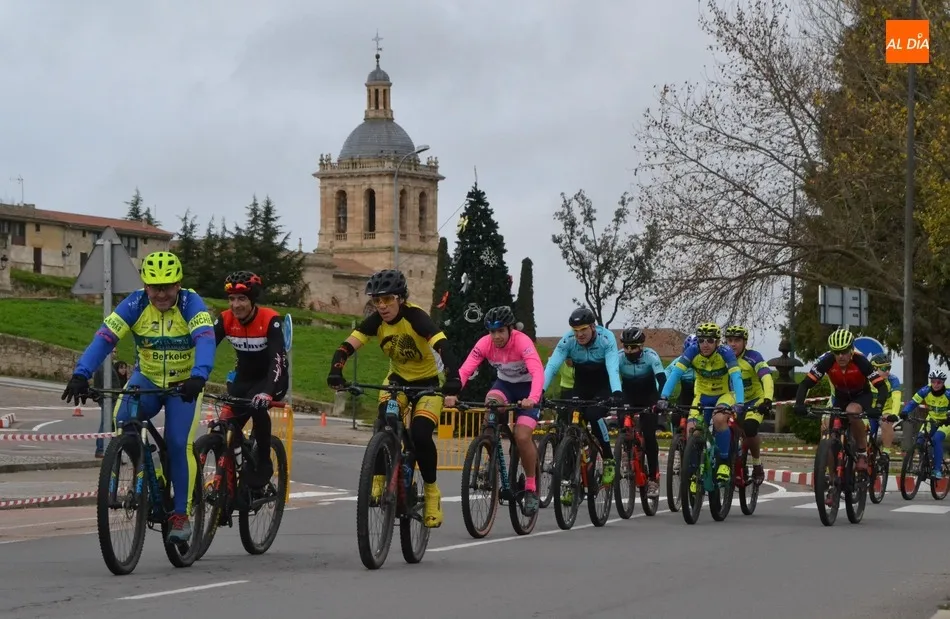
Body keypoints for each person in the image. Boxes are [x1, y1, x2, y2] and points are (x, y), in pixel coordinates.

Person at [61, 251, 215, 542]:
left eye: (167, 286)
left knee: (179, 443)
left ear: (178, 284)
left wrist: (200, 375)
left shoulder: (191, 303)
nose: (161, 294)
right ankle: (151, 470)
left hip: (184, 384)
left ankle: (180, 515)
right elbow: (105, 338)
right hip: (147, 379)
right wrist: (81, 374)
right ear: (145, 285)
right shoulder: (134, 303)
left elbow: (205, 339)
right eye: (154, 286)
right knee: (123, 420)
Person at [326, 269, 461, 528]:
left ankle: (432, 492)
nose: (382, 306)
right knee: (384, 423)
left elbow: (444, 346)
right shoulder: (376, 321)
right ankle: (377, 480)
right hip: (397, 381)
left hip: (427, 385)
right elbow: (345, 347)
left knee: (421, 435)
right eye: (377, 300)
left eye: (387, 299)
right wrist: (336, 371)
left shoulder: (416, 317)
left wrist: (453, 381)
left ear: (400, 298)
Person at [445, 306, 544, 515]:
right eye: (492, 331)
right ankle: (489, 464)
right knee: (490, 406)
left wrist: (533, 399)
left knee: (522, 436)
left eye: (500, 331)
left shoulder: (522, 342)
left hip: (528, 389)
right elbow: (466, 369)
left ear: (510, 329)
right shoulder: (484, 344)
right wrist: (453, 392)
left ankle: (531, 487)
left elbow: (537, 372)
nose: (496, 336)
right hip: (505, 385)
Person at [213, 270, 289, 488]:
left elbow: (277, 359)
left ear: (253, 300)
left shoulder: (269, 319)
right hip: (244, 377)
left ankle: (263, 461)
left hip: (272, 377)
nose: (236, 305)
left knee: (257, 407)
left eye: (242, 299)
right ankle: (230, 476)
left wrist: (267, 391)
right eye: (232, 299)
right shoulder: (226, 319)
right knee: (224, 425)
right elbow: (205, 349)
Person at [542, 307, 622, 494]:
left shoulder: (606, 338)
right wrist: (539, 392)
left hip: (602, 385)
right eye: (576, 331)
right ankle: (571, 477)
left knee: (594, 416)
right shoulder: (568, 340)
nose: (579, 335)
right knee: (571, 425)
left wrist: (617, 391)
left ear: (593, 327)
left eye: (583, 330)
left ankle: (608, 458)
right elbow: (552, 366)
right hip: (581, 384)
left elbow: (612, 367)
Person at [658, 323, 745, 484]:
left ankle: (724, 463)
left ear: (718, 342)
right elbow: (676, 374)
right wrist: (663, 397)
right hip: (702, 395)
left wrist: (740, 402)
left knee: (719, 420)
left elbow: (736, 377)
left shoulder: (725, 353)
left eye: (710, 340)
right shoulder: (692, 351)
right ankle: (692, 471)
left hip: (724, 395)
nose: (705, 344)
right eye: (702, 340)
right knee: (692, 431)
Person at [793, 328, 889, 473]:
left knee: (852, 411)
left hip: (861, 396)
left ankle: (862, 453)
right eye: (836, 352)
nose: (841, 356)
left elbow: (881, 386)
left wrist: (878, 407)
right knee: (832, 436)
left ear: (851, 349)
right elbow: (806, 383)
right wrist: (799, 404)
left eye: (844, 351)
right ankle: (833, 480)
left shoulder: (860, 361)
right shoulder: (827, 362)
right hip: (841, 398)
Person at [617, 326, 667, 497]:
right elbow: (611, 377)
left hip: (649, 396)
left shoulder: (651, 356)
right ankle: (625, 448)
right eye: (626, 347)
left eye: (633, 347)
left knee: (649, 435)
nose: (629, 351)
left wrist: (661, 399)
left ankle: (653, 478)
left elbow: (662, 378)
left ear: (641, 347)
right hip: (628, 395)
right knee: (623, 421)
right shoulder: (618, 357)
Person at [724, 325, 774, 484]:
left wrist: (767, 400)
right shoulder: (723, 357)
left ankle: (757, 464)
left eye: (737, 340)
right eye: (730, 340)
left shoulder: (754, 357)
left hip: (754, 401)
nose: (733, 344)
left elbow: (766, 377)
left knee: (750, 428)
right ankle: (734, 461)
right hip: (733, 400)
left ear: (744, 342)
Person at [900, 369, 949, 479]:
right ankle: (924, 464)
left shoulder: (948, 393)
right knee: (920, 440)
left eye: (939, 382)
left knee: (936, 439)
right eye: (933, 381)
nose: (936, 384)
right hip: (931, 420)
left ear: (943, 382)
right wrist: (904, 412)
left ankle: (937, 470)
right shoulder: (925, 390)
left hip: (945, 423)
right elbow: (913, 402)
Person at [867, 353, 901, 455]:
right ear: (874, 368)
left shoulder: (893, 379)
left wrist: (894, 414)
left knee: (886, 423)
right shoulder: (866, 379)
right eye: (884, 368)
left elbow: (896, 398)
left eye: (889, 367)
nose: (887, 371)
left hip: (886, 410)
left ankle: (886, 453)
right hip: (870, 410)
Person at [665, 335, 697, 432]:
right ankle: (677, 440)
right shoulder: (678, 361)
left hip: (701, 395)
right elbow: (665, 376)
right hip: (685, 396)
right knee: (675, 417)